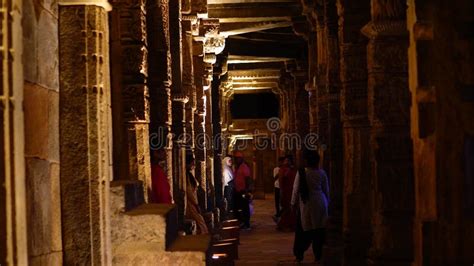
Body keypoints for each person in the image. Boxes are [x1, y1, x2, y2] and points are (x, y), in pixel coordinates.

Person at [291, 150, 329, 264]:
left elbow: (296, 190)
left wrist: (293, 203)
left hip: (306, 202)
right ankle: (318, 255)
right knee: (319, 230)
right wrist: (328, 203)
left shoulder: (302, 173)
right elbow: (326, 190)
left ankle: (299, 254)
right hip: (320, 202)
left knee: (304, 230)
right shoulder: (321, 173)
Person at [185, 154, 209, 234]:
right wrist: (196, 204)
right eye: (192, 163)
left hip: (194, 202)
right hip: (190, 203)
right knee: (200, 222)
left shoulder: (189, 175)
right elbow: (189, 191)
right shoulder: (186, 176)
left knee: (200, 221)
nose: (194, 166)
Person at [232, 151, 253, 230]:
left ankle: (247, 224)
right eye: (236, 158)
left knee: (245, 208)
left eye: (238, 158)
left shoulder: (244, 167)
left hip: (243, 191)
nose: (237, 160)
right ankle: (241, 222)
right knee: (238, 208)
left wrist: (247, 191)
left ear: (241, 159)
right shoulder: (237, 167)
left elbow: (247, 179)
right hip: (237, 191)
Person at [277, 155, 297, 231]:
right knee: (286, 208)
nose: (287, 162)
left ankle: (291, 224)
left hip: (292, 190)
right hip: (286, 191)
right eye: (286, 160)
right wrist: (281, 191)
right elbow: (281, 180)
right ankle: (284, 224)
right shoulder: (282, 170)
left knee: (292, 208)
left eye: (288, 160)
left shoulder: (293, 169)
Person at [273, 156, 286, 222]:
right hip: (277, 186)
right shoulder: (276, 169)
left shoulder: (285, 169)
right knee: (277, 201)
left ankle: (280, 213)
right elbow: (274, 178)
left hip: (283, 187)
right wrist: (279, 173)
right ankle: (278, 213)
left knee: (282, 201)